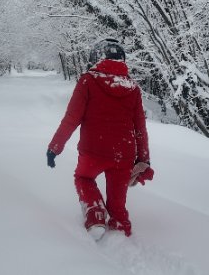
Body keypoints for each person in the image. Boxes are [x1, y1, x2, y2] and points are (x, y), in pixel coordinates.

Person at [46, 38, 153, 239]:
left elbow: (71, 118)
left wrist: (55, 147)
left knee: (83, 178)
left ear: (96, 58)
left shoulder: (88, 80)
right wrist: (143, 159)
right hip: (124, 153)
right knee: (118, 204)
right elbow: (140, 128)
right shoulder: (133, 87)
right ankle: (121, 229)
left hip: (93, 150)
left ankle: (95, 216)